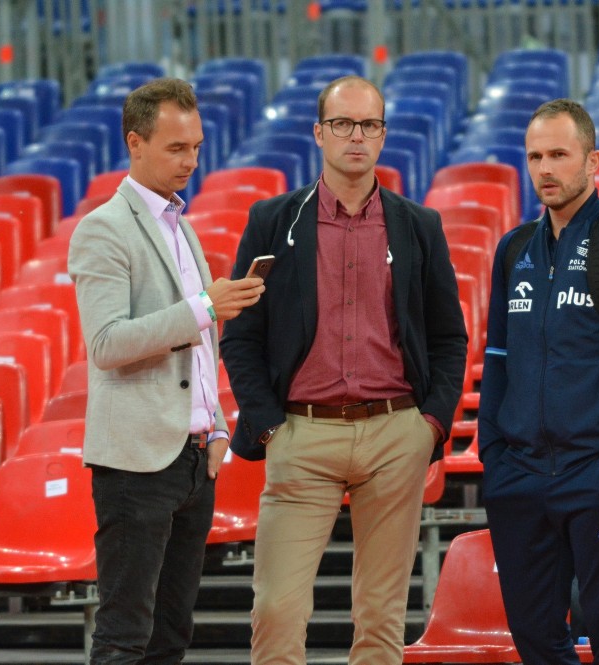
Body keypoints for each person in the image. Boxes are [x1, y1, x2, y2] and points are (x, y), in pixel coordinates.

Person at [219, 75, 467, 665]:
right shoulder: (273, 220)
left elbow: (448, 336)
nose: (356, 136)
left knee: (381, 619)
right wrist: (270, 427)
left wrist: (428, 426)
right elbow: (242, 336)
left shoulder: (418, 226)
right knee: (277, 610)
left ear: (383, 136)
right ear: (319, 133)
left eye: (369, 125)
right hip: (301, 434)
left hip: (395, 432)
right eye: (343, 124)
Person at [68, 77, 265, 664]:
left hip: (193, 455)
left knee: (171, 637)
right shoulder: (102, 228)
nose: (192, 161)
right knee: (125, 636)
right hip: (134, 463)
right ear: (136, 142)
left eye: (197, 147)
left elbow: (195, 347)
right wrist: (206, 306)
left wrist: (219, 425)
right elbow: (106, 344)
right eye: (177, 148)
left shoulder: (184, 227)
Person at [478, 98, 599, 665]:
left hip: (596, 470)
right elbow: (496, 359)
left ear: (592, 162)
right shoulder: (513, 248)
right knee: (536, 639)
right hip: (519, 475)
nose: (545, 168)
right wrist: (494, 453)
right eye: (535, 156)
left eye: (559, 155)